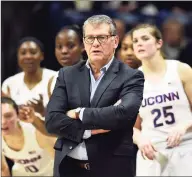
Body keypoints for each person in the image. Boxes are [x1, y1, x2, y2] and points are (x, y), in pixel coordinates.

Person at [45, 14, 144, 177]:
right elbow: (52, 121)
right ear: (84, 42)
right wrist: (87, 131)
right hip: (69, 167)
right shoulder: (67, 75)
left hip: (112, 168)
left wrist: (79, 113)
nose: (96, 43)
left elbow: (123, 114)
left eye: (102, 38)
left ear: (115, 41)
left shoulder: (131, 76)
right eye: (90, 38)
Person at [131, 23, 192, 176]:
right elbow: (133, 127)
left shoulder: (181, 70)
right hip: (152, 153)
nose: (139, 43)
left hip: (185, 147)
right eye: (135, 41)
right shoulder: (131, 82)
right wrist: (140, 140)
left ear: (159, 43)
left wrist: (184, 126)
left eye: (145, 38)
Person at [2, 37, 57, 117]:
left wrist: (43, 111)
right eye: (23, 53)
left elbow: (63, 117)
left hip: (47, 129)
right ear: (18, 56)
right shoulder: (9, 84)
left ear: (42, 56)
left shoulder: (55, 78)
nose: (28, 56)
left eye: (33, 52)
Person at [1, 97, 56, 176]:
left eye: (8, 116)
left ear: (18, 116)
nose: (3, 122)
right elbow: (3, 169)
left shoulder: (36, 132)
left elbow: (61, 162)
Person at [48, 25, 85, 97]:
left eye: (70, 46)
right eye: (59, 47)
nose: (64, 51)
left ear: (83, 47)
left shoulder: (95, 75)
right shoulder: (53, 80)